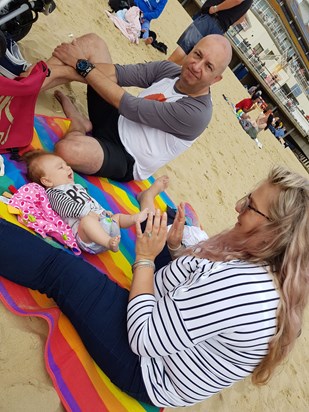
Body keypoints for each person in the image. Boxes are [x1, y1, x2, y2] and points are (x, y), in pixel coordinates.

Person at [0, 166, 308, 408]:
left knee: (61, 272)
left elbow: (144, 338)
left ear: (275, 232)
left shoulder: (246, 290)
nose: (238, 205)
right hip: (167, 315)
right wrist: (173, 251)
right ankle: (156, 216)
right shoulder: (269, 261)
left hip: (148, 368)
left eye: (250, 206)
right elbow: (200, 282)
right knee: (168, 226)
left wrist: (146, 260)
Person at [38, 32, 232, 182]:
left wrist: (80, 66)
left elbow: (131, 106)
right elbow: (117, 74)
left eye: (208, 67)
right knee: (93, 43)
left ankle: (79, 125)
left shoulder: (196, 113)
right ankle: (29, 83)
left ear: (216, 79)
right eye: (197, 55)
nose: (196, 66)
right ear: (190, 51)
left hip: (126, 156)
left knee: (66, 150)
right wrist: (64, 69)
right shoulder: (170, 71)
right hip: (118, 117)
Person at [24, 150, 149, 253]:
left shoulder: (77, 187)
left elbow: (91, 202)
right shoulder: (53, 193)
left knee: (117, 217)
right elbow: (64, 206)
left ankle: (134, 219)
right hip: (86, 237)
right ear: (47, 181)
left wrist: (104, 212)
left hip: (105, 224)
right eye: (61, 167)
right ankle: (108, 242)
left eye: (66, 165)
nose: (68, 168)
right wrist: (85, 213)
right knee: (87, 221)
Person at [168, 0, 253, 66]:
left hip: (211, 19)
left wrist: (216, 8)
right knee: (195, 54)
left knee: (185, 46)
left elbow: (237, 0)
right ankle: (169, 71)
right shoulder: (250, 2)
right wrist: (228, 20)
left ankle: (162, 69)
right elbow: (241, 19)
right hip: (220, 29)